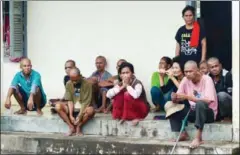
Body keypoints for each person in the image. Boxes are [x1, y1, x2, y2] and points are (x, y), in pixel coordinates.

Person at [167, 60, 218, 148]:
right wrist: (175, 98)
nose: (187, 74)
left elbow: (208, 101)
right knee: (169, 105)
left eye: (190, 71)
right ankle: (183, 133)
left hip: (208, 113)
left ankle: (198, 138)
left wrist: (188, 97)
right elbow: (179, 96)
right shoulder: (185, 79)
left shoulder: (207, 79)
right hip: (194, 112)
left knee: (200, 104)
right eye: (186, 72)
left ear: (197, 70)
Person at [55, 68, 95, 136]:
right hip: (72, 108)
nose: (74, 82)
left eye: (76, 80)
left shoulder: (88, 84)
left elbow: (85, 103)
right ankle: (71, 127)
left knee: (91, 110)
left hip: (83, 108)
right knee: (57, 106)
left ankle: (79, 127)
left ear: (80, 76)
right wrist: (70, 115)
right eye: (72, 80)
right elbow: (69, 100)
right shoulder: (68, 83)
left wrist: (79, 116)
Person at [207, 57, 232, 122]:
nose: (214, 69)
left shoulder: (227, 75)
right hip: (214, 105)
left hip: (228, 104)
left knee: (221, 95)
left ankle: (227, 117)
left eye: (216, 66)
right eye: (212, 67)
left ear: (220, 66)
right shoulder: (207, 78)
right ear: (208, 69)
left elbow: (231, 94)